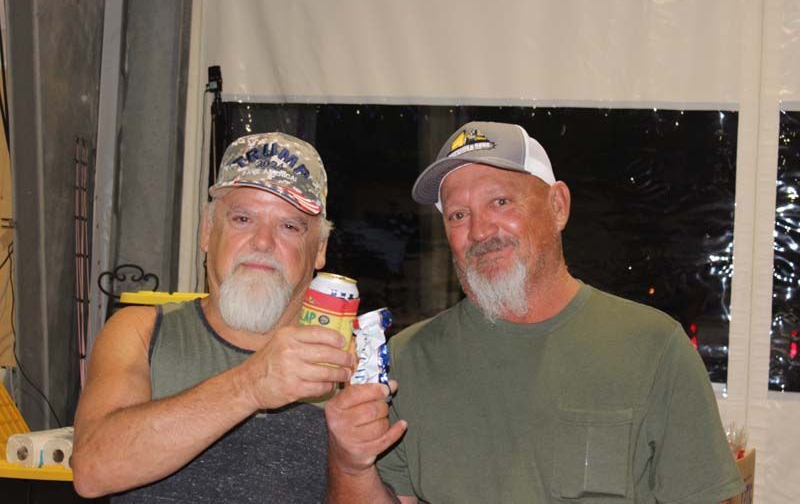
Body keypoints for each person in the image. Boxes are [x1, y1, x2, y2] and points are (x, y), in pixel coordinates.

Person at [325, 121, 745, 503]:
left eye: (501, 202)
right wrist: (350, 464)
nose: (480, 231)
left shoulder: (653, 348)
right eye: (458, 215)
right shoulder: (407, 362)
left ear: (558, 206)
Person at [72, 132, 355, 503]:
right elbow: (92, 470)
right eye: (242, 218)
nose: (263, 242)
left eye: (289, 226)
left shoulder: (349, 357)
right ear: (207, 231)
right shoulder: (141, 332)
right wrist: (250, 385)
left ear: (319, 250)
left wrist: (354, 464)